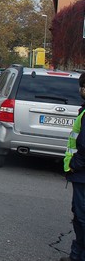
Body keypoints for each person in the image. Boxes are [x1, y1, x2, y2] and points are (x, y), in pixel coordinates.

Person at [63, 72, 85, 261]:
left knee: (82, 216)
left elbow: (84, 145)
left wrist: (74, 165)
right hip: (80, 174)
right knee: (79, 215)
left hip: (82, 173)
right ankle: (76, 255)